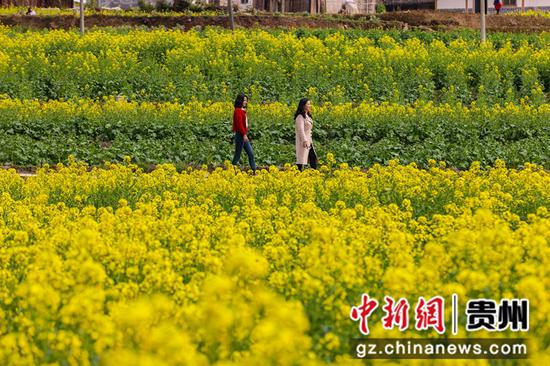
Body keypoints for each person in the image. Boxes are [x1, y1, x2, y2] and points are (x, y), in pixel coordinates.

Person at [231, 94, 256, 173]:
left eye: (246, 100)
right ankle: (231, 170)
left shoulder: (241, 110)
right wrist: (244, 134)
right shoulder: (238, 111)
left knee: (251, 153)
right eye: (244, 100)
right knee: (237, 155)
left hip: (242, 134)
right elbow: (239, 124)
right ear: (240, 101)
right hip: (240, 135)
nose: (246, 102)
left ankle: (254, 171)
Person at [294, 98, 318, 171]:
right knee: (301, 159)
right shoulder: (300, 117)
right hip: (303, 141)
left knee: (312, 157)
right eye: (308, 104)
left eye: (309, 104)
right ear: (303, 106)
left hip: (309, 140)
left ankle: (314, 173)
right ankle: (298, 173)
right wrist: (304, 140)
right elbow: (300, 129)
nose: (310, 105)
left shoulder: (307, 115)